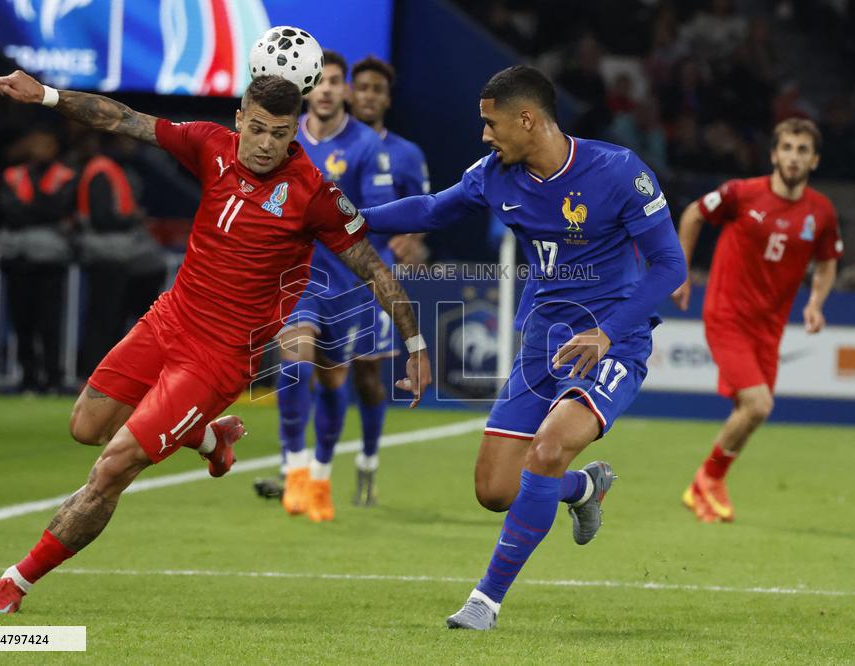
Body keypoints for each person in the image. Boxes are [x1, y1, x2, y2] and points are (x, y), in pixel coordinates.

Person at [0, 69, 431, 614]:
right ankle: (208, 438)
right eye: (257, 128)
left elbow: (376, 271)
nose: (265, 144)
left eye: (280, 134)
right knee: (85, 428)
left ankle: (15, 584)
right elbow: (123, 118)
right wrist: (47, 95)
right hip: (168, 319)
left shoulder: (313, 195)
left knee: (112, 469)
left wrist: (417, 343)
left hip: (218, 359)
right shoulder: (210, 144)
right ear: (239, 119)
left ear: (294, 134)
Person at [362, 65, 687, 629]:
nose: (484, 135)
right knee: (494, 490)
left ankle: (484, 601)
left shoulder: (617, 171)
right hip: (544, 342)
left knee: (549, 447)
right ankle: (584, 489)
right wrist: (348, 221)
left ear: (527, 119)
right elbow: (433, 210)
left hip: (612, 340)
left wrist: (610, 331)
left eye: (491, 124)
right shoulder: (495, 175)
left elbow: (670, 265)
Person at [671, 118, 842, 523]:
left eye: (802, 150)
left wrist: (816, 303)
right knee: (758, 404)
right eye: (787, 148)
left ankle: (705, 485)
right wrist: (679, 270)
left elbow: (828, 263)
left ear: (814, 160)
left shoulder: (821, 212)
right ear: (773, 154)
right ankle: (706, 478)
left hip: (769, 326)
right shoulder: (741, 193)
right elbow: (694, 214)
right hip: (726, 314)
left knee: (751, 412)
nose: (794, 157)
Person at [273, 50, 397, 521]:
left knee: (333, 381)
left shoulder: (367, 146)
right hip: (296, 279)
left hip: (346, 285)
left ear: (345, 90)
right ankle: (295, 468)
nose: (325, 89)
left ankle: (322, 476)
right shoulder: (284, 138)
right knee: (295, 363)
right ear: (307, 88)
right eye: (318, 81)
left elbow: (378, 221)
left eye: (334, 81)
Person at [347, 55, 431, 503]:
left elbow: (425, 209)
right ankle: (303, 470)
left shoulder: (405, 153)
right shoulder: (324, 143)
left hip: (376, 277)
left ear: (387, 98)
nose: (369, 95)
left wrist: (412, 239)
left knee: (365, 375)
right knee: (309, 366)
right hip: (322, 274)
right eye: (362, 87)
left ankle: (368, 460)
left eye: (377, 89)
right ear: (349, 92)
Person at [75, 135, 168, 378]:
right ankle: (91, 376)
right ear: (114, 143)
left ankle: (111, 376)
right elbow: (101, 219)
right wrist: (134, 218)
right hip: (106, 255)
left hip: (120, 257)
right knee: (103, 320)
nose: (132, 147)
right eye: (126, 143)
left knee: (113, 319)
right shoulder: (100, 170)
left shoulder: (112, 168)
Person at [0, 128, 76, 394]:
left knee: (50, 322)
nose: (41, 147)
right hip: (18, 259)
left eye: (46, 142)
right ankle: (28, 377)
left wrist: (31, 210)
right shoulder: (12, 175)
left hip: (51, 259)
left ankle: (53, 377)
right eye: (36, 142)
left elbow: (59, 210)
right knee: (22, 321)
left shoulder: (65, 175)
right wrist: (42, 211)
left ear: (55, 147)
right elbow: (9, 212)